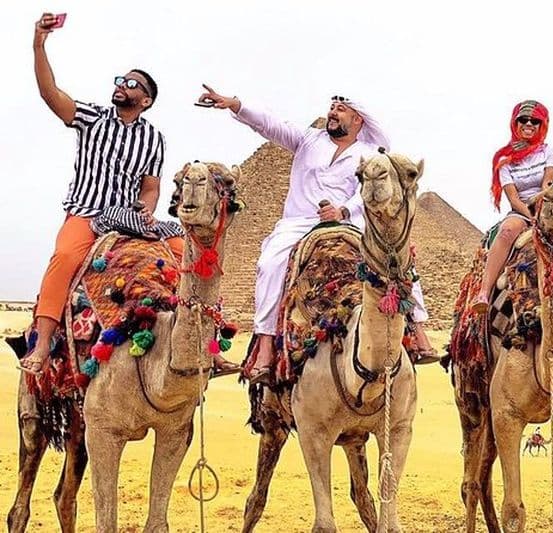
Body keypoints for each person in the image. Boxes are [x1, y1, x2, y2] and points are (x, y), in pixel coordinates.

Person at [196, 87, 439, 383]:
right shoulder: (308, 139)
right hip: (298, 223)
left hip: (349, 224)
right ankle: (265, 344)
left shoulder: (369, 154)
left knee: (397, 259)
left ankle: (419, 331)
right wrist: (234, 104)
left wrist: (343, 211)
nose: (332, 112)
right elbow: (270, 124)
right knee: (270, 264)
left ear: (358, 119)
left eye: (340, 109)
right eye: (332, 107)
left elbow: (370, 192)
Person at [19, 13, 198, 374]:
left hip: (128, 219)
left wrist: (145, 210)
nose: (122, 86)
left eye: (132, 84)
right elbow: (50, 93)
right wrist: (39, 44)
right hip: (87, 212)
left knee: (188, 254)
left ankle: (199, 342)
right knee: (64, 257)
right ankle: (41, 345)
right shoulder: (92, 118)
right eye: (121, 81)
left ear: (145, 100)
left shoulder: (153, 138)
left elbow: (150, 188)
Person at [471, 100, 553, 313]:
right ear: (515, 123)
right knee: (506, 231)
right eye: (523, 120)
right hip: (521, 211)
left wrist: (541, 214)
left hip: (546, 206)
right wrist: (530, 216)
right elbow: (513, 198)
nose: (529, 124)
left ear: (543, 125)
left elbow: (547, 185)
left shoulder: (548, 152)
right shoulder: (504, 159)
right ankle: (484, 292)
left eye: (535, 121)